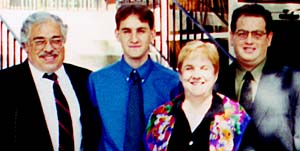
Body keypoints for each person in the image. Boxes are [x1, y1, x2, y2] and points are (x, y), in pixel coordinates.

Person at [0, 12, 101, 151]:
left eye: (56, 40)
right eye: (40, 41)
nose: (49, 48)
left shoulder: (85, 79)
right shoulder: (5, 84)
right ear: (26, 46)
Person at [88, 2, 180, 151]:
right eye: (126, 31)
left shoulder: (172, 82)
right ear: (117, 35)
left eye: (141, 31)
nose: (134, 39)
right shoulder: (97, 81)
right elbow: (90, 134)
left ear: (152, 34)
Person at [216, 4, 300, 150]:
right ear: (232, 37)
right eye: (242, 33)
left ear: (269, 38)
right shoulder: (214, 83)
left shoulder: (294, 82)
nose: (249, 41)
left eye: (257, 35)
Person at [145, 40, 251, 151]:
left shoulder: (236, 117)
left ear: (215, 74)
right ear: (180, 74)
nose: (196, 75)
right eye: (189, 68)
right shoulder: (160, 118)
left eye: (204, 68)